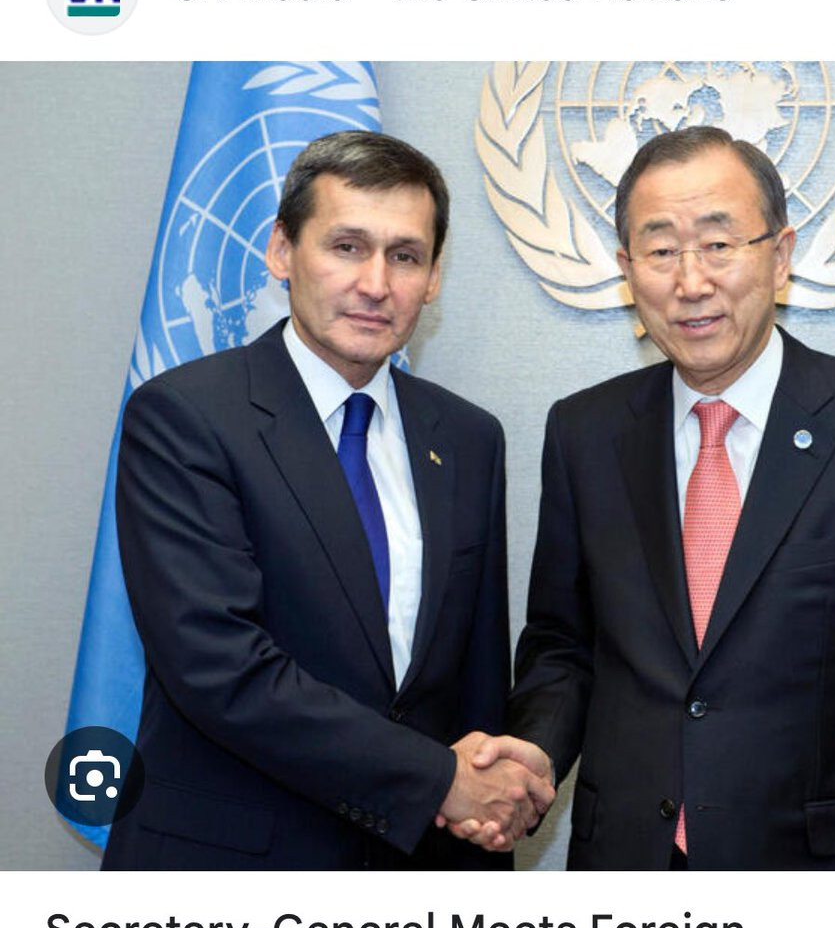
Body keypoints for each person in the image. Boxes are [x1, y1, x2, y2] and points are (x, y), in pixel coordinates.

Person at [470, 125, 835, 870]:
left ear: (779, 255)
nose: (691, 281)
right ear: (627, 270)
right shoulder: (584, 432)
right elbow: (564, 645)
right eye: (661, 250)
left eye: (718, 243)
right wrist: (535, 752)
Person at [103, 131, 552, 870]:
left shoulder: (469, 438)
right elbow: (220, 666)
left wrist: (485, 818)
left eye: (405, 256)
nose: (376, 283)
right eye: (347, 247)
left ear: (434, 276)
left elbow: (474, 682)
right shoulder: (185, 416)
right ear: (283, 250)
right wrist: (440, 782)